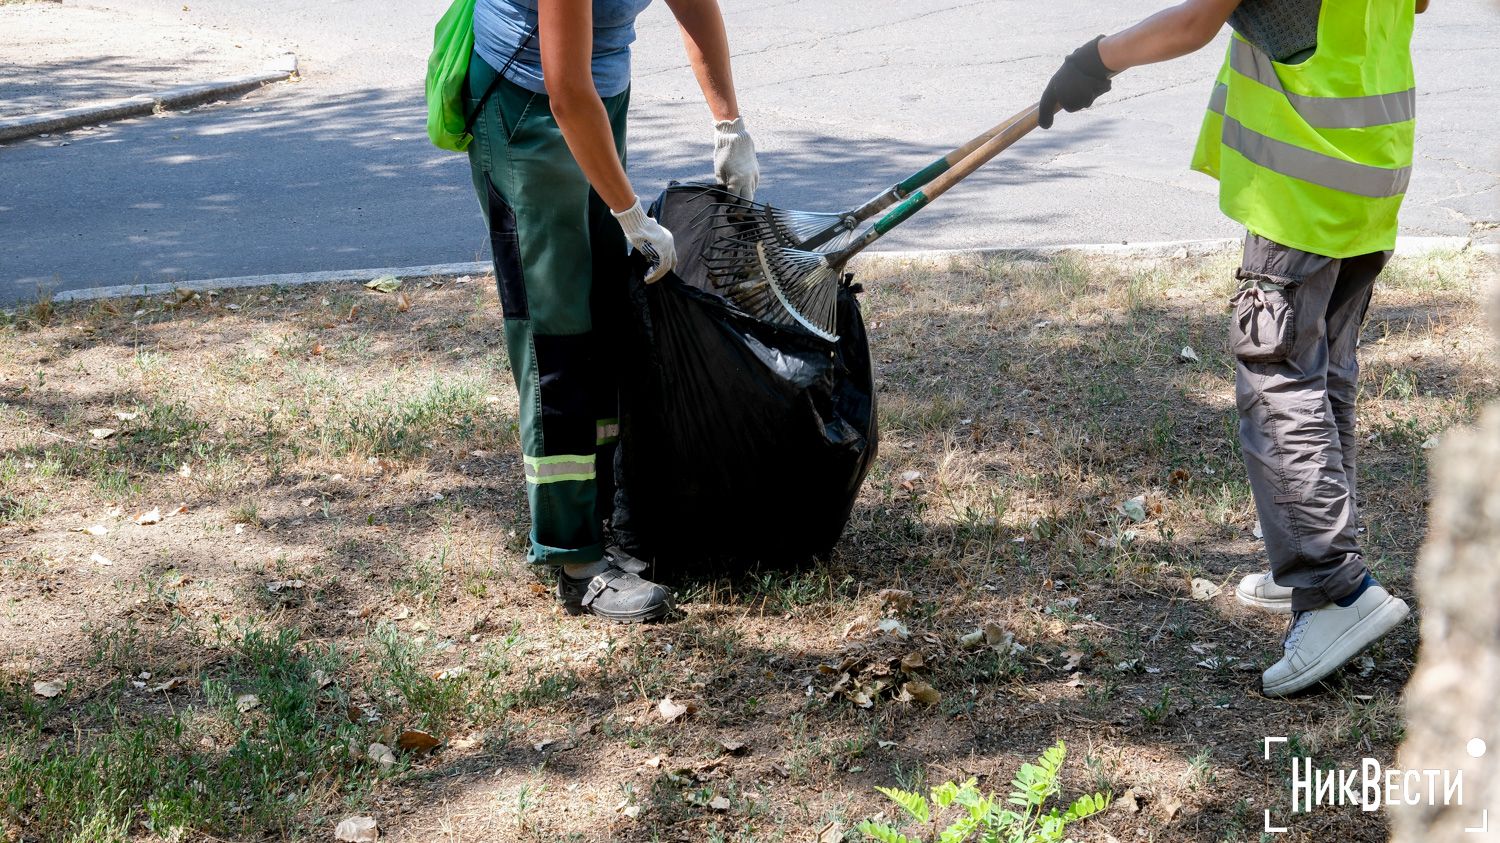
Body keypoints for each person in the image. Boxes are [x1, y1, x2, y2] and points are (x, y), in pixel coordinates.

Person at [1037, 0, 1428, 696]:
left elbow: (1195, 21)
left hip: (1302, 183)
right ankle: (1319, 565)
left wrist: (1093, 62)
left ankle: (1334, 591)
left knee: (1278, 378)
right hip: (1370, 168)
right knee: (1322, 373)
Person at [465, 0, 759, 622]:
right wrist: (629, 212)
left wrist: (729, 123)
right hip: (531, 105)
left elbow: (693, 5)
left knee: (604, 312)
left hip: (598, 97)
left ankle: (604, 518)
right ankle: (575, 560)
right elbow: (566, 90)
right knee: (559, 329)